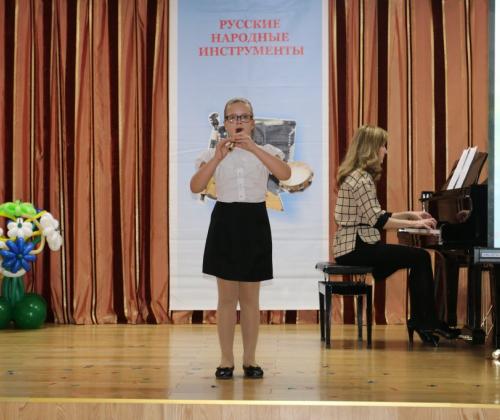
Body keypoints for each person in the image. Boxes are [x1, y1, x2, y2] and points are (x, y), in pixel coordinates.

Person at [190, 97, 291, 378]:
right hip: (225, 222)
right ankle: (226, 359)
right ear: (225, 123)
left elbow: (285, 173)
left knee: (249, 299)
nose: (238, 122)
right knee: (226, 298)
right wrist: (217, 158)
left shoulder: (266, 151)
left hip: (254, 222)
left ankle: (250, 359)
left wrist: (254, 148)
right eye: (232, 117)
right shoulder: (214, 152)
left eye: (243, 117)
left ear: (252, 122)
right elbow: (196, 186)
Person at [333, 125, 458, 346]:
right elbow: (379, 221)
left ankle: (423, 320)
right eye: (383, 146)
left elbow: (375, 215)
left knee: (416, 258)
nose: (385, 151)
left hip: (354, 245)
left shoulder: (357, 176)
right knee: (419, 257)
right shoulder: (361, 180)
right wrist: (417, 223)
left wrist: (410, 215)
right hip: (356, 247)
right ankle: (425, 322)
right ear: (371, 149)